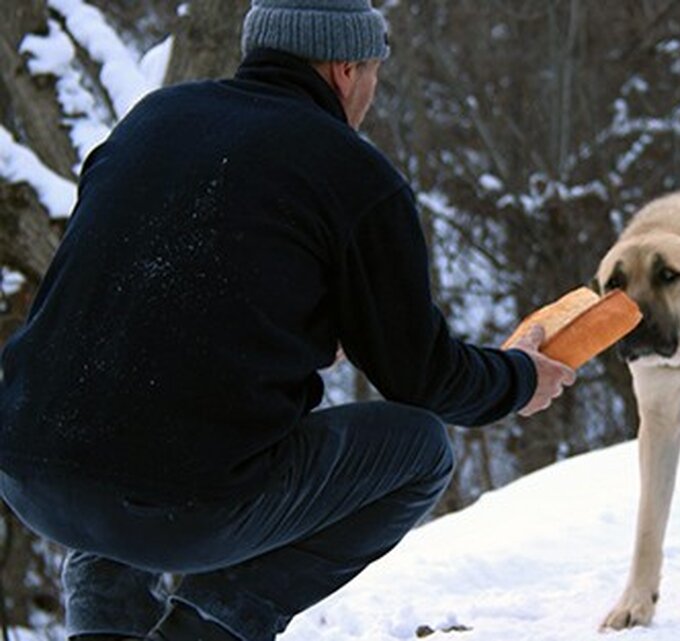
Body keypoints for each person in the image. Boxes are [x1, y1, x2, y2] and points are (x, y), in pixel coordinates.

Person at [0, 1, 577, 639]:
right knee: (420, 451)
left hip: (27, 468)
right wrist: (519, 379)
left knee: (123, 419)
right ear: (346, 69)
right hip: (182, 505)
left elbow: (138, 300)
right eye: (374, 74)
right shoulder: (350, 173)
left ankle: (105, 630)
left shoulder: (153, 120)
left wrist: (301, 328)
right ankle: (208, 629)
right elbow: (423, 378)